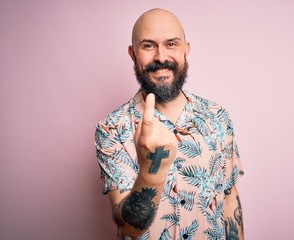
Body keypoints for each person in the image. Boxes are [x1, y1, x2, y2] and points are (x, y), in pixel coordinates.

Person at [95, 8, 245, 240]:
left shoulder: (218, 117)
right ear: (133, 54)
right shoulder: (111, 129)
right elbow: (130, 227)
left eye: (171, 44)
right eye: (148, 45)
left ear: (186, 49)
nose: (161, 57)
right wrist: (150, 171)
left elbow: (229, 197)